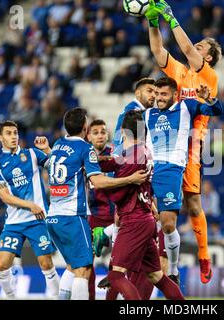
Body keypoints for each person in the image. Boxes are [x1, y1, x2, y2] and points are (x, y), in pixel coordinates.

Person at [145, 0, 222, 283]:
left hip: (192, 146)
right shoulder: (180, 74)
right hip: (166, 143)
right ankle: (160, 258)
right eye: (198, 44)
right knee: (155, 204)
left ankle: (204, 255)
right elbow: (157, 50)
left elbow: (187, 49)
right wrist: (153, 20)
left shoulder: (207, 75)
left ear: (209, 58)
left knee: (193, 205)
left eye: (202, 47)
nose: (195, 47)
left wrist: (171, 17)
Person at [42, 108, 147, 300]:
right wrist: (130, 179)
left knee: (73, 267)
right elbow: (98, 182)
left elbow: (55, 163)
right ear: (85, 128)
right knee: (83, 270)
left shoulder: (57, 144)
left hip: (53, 217)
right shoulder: (85, 148)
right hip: (73, 216)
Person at [98, 110, 184, 300]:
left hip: (134, 220)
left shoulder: (134, 156)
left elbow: (118, 195)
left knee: (116, 275)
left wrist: (101, 183)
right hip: (145, 219)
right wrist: (93, 160)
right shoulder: (141, 151)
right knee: (157, 276)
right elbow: (114, 162)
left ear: (122, 130)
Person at [0, 120, 59, 299]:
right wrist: (30, 205)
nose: (13, 137)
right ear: (0, 138)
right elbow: (4, 196)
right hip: (14, 222)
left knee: (46, 263)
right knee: (3, 265)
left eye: (15, 133)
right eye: (9, 133)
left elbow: (57, 167)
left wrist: (48, 150)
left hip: (38, 220)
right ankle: (11, 297)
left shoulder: (32, 154)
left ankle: (58, 297)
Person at [85, 119, 116, 300]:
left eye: (103, 132)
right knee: (87, 264)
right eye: (95, 132)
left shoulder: (116, 154)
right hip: (93, 216)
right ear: (88, 136)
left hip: (116, 216)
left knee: (117, 266)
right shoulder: (84, 155)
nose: (100, 135)